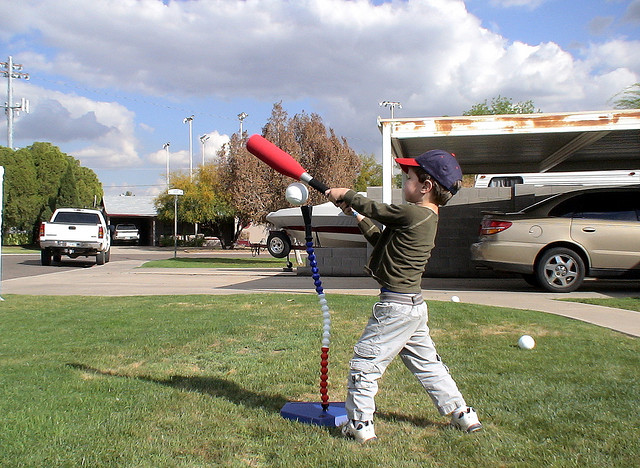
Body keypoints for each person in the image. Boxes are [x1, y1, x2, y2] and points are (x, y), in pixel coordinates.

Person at [325, 150, 482, 443]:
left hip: (395, 309)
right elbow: (381, 241)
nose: (403, 182)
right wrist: (356, 214)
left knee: (364, 364)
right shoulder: (423, 219)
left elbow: (378, 209)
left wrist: (346, 194)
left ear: (426, 186)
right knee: (428, 365)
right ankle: (463, 413)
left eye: (408, 178)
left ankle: (359, 425)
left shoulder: (414, 213)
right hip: (413, 309)